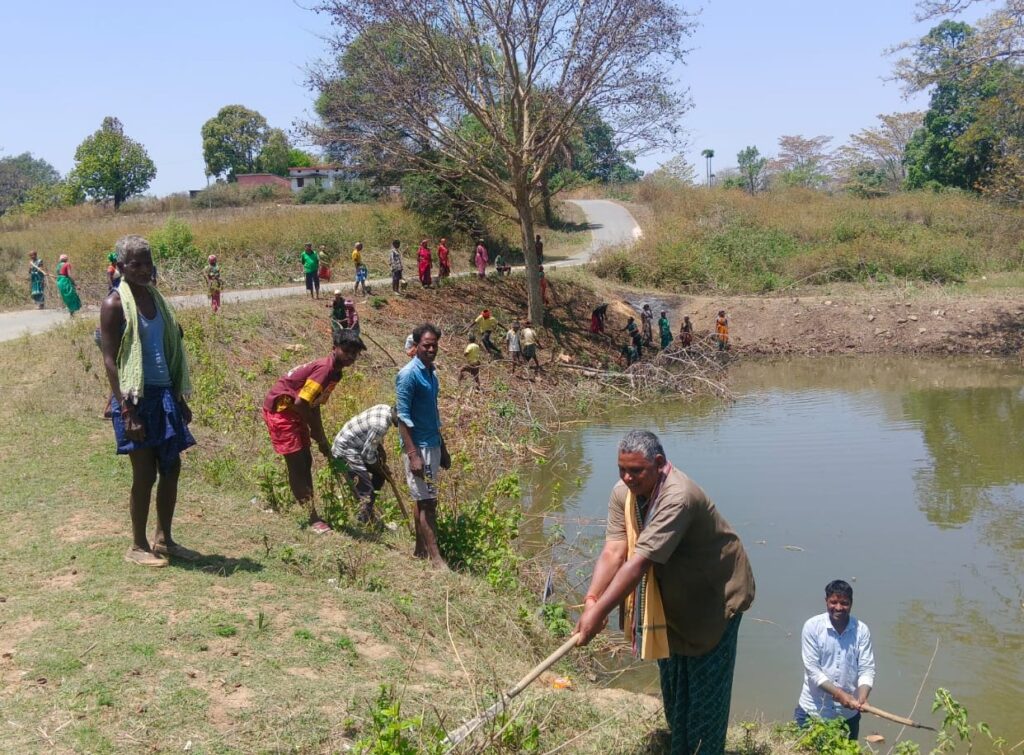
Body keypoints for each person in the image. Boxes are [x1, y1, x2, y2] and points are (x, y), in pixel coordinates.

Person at [575, 430, 755, 755]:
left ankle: (701, 748)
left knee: (704, 698)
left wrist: (599, 612)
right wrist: (591, 600)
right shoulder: (624, 493)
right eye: (622, 469)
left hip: (713, 599)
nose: (628, 478)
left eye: (636, 471)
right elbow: (614, 550)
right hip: (669, 599)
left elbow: (638, 563)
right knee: (674, 686)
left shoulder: (678, 497)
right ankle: (680, 744)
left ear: (659, 464)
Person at [100, 235, 197, 567]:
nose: (143, 269)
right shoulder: (115, 305)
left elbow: (168, 350)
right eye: (135, 264)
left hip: (164, 394)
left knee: (171, 467)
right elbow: (111, 360)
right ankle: (138, 546)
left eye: (147, 262)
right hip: (134, 399)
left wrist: (179, 399)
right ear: (122, 267)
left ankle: (164, 539)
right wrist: (126, 410)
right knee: (145, 474)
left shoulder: (159, 301)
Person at [263, 328, 366, 534]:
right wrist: (315, 430)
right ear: (334, 348)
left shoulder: (335, 372)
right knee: (297, 462)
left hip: (296, 411)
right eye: (346, 351)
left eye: (355, 353)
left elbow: (313, 403)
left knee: (306, 460)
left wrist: (320, 436)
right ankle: (312, 518)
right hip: (282, 412)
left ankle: (309, 506)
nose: (351, 357)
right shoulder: (325, 369)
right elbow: (302, 403)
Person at [396, 323, 451, 567]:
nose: (431, 349)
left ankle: (420, 550)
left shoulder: (431, 373)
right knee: (428, 503)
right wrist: (413, 454)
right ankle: (436, 559)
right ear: (416, 346)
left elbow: (433, 413)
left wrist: (444, 448)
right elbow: (402, 417)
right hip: (418, 447)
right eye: (426, 345)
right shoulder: (408, 375)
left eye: (434, 345)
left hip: (432, 443)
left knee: (423, 499)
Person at [794, 580, 875, 742]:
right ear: (826, 601)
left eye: (844, 603)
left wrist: (863, 696)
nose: (838, 607)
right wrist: (839, 694)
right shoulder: (812, 627)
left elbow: (866, 668)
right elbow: (813, 671)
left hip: (848, 716)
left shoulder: (861, 630)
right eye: (834, 602)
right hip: (813, 711)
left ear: (851, 604)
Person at [330, 404, 397, 525]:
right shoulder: (380, 425)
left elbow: (372, 443)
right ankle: (364, 521)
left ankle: (367, 511)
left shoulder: (384, 408)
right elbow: (368, 455)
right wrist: (380, 468)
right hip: (345, 451)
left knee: (379, 477)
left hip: (355, 447)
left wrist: (381, 468)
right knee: (366, 489)